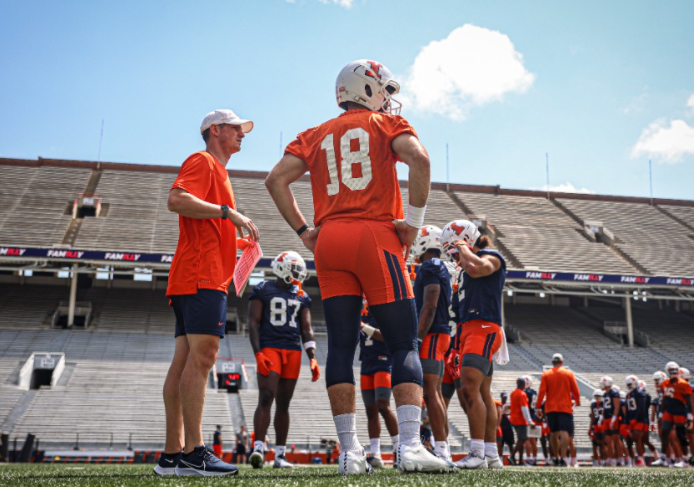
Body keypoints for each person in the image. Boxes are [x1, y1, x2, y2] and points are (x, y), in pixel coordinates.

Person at [265, 59, 451, 475]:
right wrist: (414, 227)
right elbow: (420, 160)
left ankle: (349, 454)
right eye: (384, 89)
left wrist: (303, 232)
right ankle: (408, 446)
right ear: (366, 88)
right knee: (404, 342)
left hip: (329, 240)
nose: (389, 98)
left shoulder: (312, 135)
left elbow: (275, 180)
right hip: (375, 235)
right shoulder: (385, 126)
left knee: (342, 346)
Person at [157, 109, 259, 477]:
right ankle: (194, 452)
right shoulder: (203, 160)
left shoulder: (218, 169)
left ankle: (172, 455)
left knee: (184, 362)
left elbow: (204, 224)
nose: (242, 134)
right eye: (236, 129)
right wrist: (226, 212)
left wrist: (237, 239)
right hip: (201, 276)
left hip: (196, 273)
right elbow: (177, 200)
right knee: (203, 359)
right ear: (215, 130)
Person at [440, 219, 508, 470]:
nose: (456, 259)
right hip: (468, 330)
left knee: (469, 389)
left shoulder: (491, 257)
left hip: (483, 328)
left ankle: (477, 452)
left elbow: (477, 267)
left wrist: (462, 247)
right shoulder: (464, 270)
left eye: (455, 251)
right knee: (481, 394)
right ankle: (491, 454)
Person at [247, 251, 320, 469]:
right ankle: (258, 449)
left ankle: (280, 455)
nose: (298, 275)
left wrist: (313, 358)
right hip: (270, 348)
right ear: (282, 268)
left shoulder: (301, 295)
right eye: (295, 270)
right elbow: (253, 323)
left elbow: (306, 329)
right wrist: (258, 353)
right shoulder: (263, 289)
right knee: (266, 396)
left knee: (284, 404)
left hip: (293, 351)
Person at [411, 225, 452, 461]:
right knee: (433, 391)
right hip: (438, 333)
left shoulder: (431, 265)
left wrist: (417, 337)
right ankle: (441, 447)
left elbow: (430, 304)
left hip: (432, 333)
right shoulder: (437, 266)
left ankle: (442, 450)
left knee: (430, 391)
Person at [359, 301, 399, 469]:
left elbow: (388, 336)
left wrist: (363, 327)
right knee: (370, 409)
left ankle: (398, 450)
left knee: (383, 405)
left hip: (383, 361)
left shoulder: (383, 308)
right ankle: (375, 454)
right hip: (366, 362)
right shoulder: (360, 310)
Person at [536, 353, 581, 467]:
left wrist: (538, 406)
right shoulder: (568, 373)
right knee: (565, 432)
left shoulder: (546, 374)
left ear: (552, 362)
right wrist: (577, 401)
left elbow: (542, 391)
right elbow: (575, 390)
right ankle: (563, 458)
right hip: (565, 407)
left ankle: (556, 457)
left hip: (551, 407)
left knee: (553, 433)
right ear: (562, 362)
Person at [652, 361, 692, 468]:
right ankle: (663, 457)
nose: (673, 372)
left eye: (674, 370)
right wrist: (661, 413)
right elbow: (664, 399)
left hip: (679, 411)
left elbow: (689, 400)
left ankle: (685, 459)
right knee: (664, 433)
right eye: (671, 370)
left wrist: (690, 415)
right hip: (669, 411)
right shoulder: (665, 383)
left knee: (680, 435)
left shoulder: (683, 383)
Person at [625, 375, 648, 466]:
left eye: (630, 384)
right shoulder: (628, 395)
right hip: (631, 419)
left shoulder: (640, 393)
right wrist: (627, 421)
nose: (629, 386)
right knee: (629, 440)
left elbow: (641, 408)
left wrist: (635, 418)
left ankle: (640, 458)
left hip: (639, 419)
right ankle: (633, 460)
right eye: (628, 385)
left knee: (637, 437)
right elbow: (627, 409)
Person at [509, 378, 533, 466]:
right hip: (520, 420)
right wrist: (529, 420)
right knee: (522, 439)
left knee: (521, 440)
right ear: (523, 385)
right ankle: (512, 456)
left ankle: (521, 461)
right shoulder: (522, 394)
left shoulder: (513, 392)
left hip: (514, 419)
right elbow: (524, 408)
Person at [598, 376, 621, 467]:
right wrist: (601, 418)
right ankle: (610, 459)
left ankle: (620, 459)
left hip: (612, 418)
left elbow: (617, 406)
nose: (601, 385)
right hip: (606, 418)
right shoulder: (605, 394)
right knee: (608, 441)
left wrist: (614, 418)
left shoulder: (614, 393)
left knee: (616, 440)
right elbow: (604, 407)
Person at [522, 374, 539, 466]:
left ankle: (528, 459)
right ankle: (535, 459)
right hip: (534, 416)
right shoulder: (534, 392)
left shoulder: (524, 393)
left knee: (528, 440)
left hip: (528, 417)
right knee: (533, 441)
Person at [589, 389, 604, 466]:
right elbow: (592, 417)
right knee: (594, 445)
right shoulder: (593, 404)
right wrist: (590, 427)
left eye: (599, 396)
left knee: (602, 444)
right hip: (595, 426)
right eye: (596, 396)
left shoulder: (604, 404)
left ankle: (602, 460)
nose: (597, 398)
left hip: (603, 426)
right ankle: (596, 461)